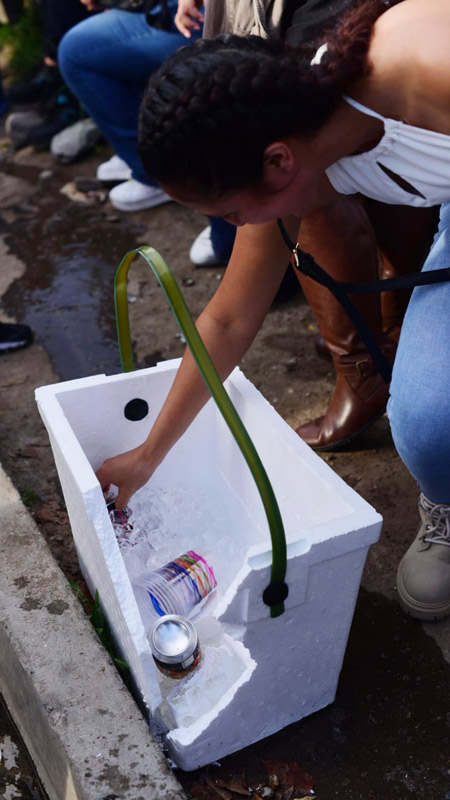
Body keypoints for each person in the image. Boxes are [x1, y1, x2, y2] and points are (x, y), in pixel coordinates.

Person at [97, 0, 450, 620]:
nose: (235, 228)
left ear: (276, 163)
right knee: (423, 422)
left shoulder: (424, 59)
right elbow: (229, 318)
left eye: (231, 214)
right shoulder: (296, 144)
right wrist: (147, 456)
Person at [57, 0, 202, 212]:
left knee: (74, 53)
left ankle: (160, 173)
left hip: (213, 16)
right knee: (79, 45)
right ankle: (150, 161)